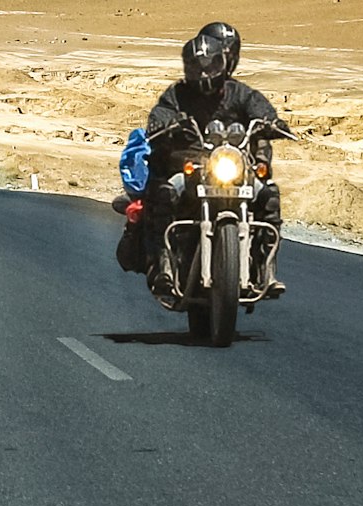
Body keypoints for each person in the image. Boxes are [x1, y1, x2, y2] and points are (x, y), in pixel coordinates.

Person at [113, 23, 285, 301]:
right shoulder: (177, 95)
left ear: (223, 62)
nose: (205, 72)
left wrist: (272, 122)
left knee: (269, 194)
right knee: (165, 194)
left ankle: (267, 268)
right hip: (191, 169)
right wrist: (164, 124)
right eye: (197, 66)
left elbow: (260, 109)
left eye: (211, 64)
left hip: (231, 168)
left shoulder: (240, 93)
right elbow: (160, 114)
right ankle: (164, 265)